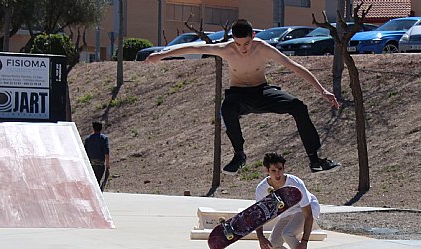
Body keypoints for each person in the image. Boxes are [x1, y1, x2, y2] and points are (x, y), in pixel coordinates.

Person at [146, 19, 342, 175]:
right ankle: (239, 155)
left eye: (247, 43)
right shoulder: (225, 49)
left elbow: (294, 66)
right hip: (238, 95)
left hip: (262, 92)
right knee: (227, 108)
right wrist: (161, 54)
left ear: (253, 36)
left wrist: (322, 90)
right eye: (238, 44)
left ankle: (314, 159)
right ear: (233, 39)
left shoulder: (263, 47)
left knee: (298, 106)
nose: (243, 48)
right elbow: (193, 48)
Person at [254, 152, 320, 249]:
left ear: (284, 168)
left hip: (305, 209)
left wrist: (304, 242)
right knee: (273, 245)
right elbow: (259, 216)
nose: (277, 174)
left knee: (287, 233)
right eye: (273, 171)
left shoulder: (295, 183)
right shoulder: (261, 189)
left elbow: (308, 214)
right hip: (286, 213)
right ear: (267, 171)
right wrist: (261, 237)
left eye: (280, 169)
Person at [84, 121, 110, 188]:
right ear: (101, 128)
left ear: (93, 128)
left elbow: (84, 152)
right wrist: (107, 164)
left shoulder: (88, 139)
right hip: (100, 163)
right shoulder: (104, 138)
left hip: (90, 164)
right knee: (97, 180)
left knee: (92, 181)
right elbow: (106, 152)